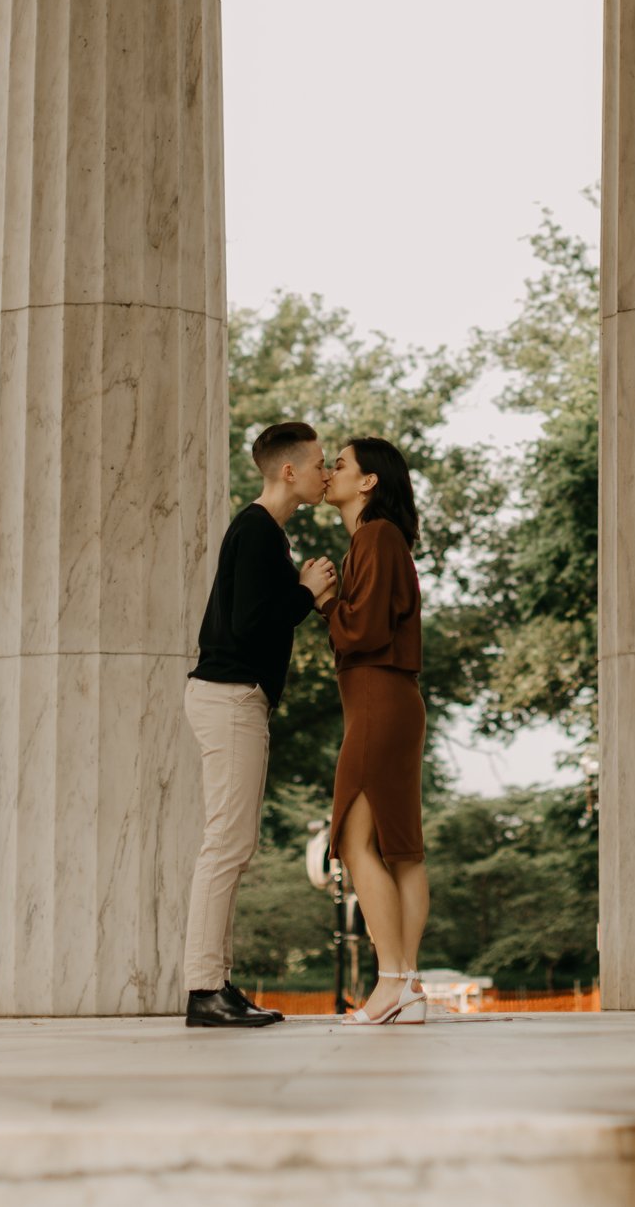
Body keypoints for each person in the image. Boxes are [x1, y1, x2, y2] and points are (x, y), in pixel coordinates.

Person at [181, 421, 338, 1029]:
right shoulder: (256, 531)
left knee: (232, 845)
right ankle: (203, 989)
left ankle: (216, 981)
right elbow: (250, 625)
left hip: (234, 698)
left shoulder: (265, 533)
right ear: (289, 471)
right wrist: (304, 593)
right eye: (322, 462)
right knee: (226, 845)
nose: (327, 473)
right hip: (229, 697)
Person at [321, 436, 431, 1026]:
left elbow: (361, 631)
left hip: (377, 696)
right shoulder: (379, 539)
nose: (329, 471)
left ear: (367, 482)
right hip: (389, 697)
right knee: (401, 850)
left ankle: (393, 982)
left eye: (339, 464)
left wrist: (324, 600)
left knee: (353, 840)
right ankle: (406, 986)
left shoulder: (376, 536)